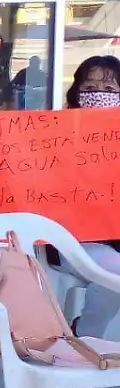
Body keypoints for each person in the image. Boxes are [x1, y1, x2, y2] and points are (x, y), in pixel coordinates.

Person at [50, 55, 120, 337]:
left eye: (109, 90)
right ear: (77, 91)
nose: (98, 96)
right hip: (74, 242)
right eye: (90, 87)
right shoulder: (52, 135)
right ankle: (86, 338)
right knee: (116, 273)